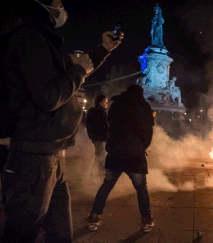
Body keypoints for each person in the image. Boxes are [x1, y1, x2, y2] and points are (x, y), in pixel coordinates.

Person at [0, 1, 123, 242]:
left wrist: (103, 50)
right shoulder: (29, 38)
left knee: (60, 234)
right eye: (59, 1)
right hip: (31, 160)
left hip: (49, 159)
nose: (63, 6)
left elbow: (76, 69)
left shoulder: (44, 41)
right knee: (21, 234)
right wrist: (77, 73)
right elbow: (50, 96)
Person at [86, 85, 155, 232]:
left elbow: (109, 125)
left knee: (106, 185)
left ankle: (94, 217)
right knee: (141, 188)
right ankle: (146, 220)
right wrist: (142, 147)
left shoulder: (116, 104)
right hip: (135, 155)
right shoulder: (143, 106)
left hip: (115, 152)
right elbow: (148, 132)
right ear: (140, 94)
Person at [86, 95, 109, 168]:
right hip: (99, 137)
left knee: (100, 155)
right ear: (100, 102)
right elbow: (102, 124)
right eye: (105, 102)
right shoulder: (97, 112)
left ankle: (96, 172)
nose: (107, 104)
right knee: (100, 156)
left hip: (99, 137)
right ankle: (99, 173)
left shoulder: (97, 111)